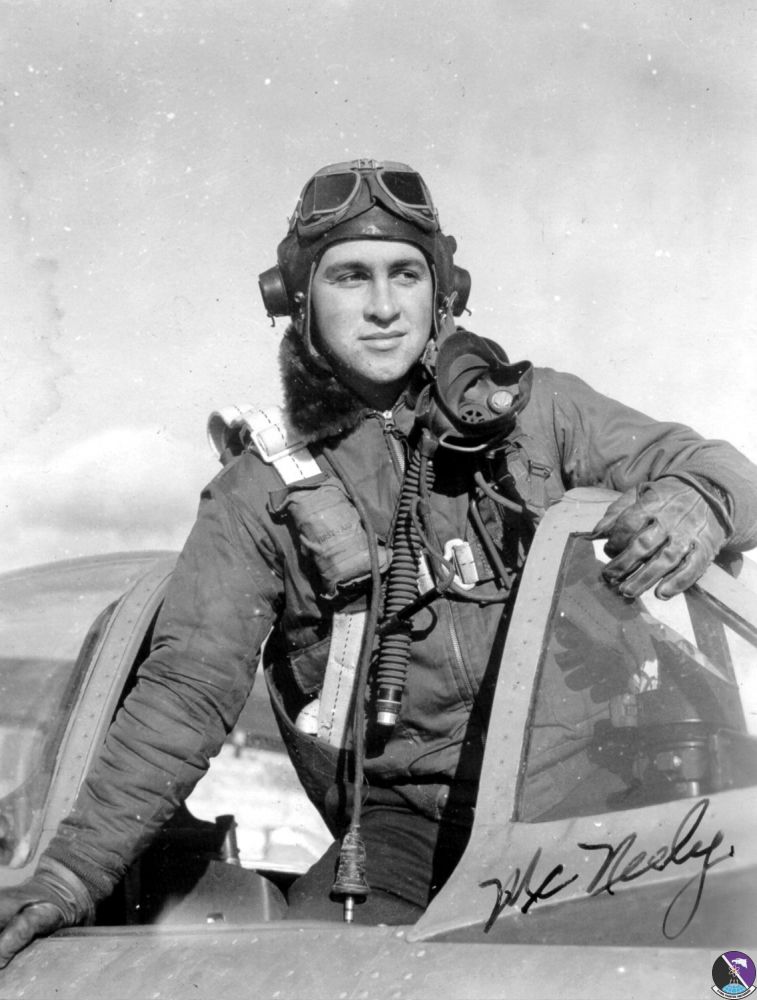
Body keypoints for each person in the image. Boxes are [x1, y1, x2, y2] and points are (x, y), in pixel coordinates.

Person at [1, 158, 756, 961]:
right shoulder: (257, 494)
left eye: (405, 274)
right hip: (404, 829)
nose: (384, 307)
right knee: (303, 974)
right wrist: (68, 875)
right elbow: (183, 694)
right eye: (350, 277)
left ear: (442, 291)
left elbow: (722, 468)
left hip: (609, 798)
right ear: (299, 299)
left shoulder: (538, 413)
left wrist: (699, 501)